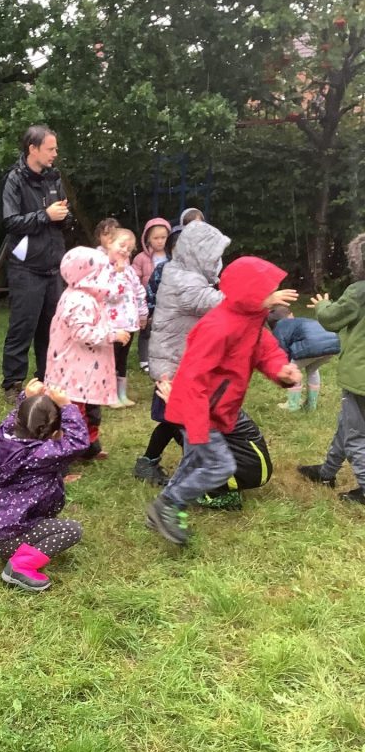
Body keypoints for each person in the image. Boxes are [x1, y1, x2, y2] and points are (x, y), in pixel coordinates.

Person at [145, 256, 301, 545]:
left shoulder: (251, 321)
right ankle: (170, 504)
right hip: (197, 411)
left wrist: (281, 370)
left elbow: (266, 351)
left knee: (193, 463)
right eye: (267, 291)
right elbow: (193, 377)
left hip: (217, 410)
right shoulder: (219, 326)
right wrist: (198, 426)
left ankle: (162, 510)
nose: (274, 296)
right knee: (220, 466)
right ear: (248, 293)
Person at [135, 220, 230, 485]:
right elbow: (217, 303)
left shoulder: (186, 274)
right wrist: (255, 296)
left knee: (173, 418)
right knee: (181, 418)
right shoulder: (184, 280)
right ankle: (195, 466)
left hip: (179, 358)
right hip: (174, 362)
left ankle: (150, 461)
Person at [0, 379, 89, 592]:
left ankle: (17, 553)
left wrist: (26, 400)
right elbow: (78, 442)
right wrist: (67, 407)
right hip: (9, 538)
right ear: (53, 434)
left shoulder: (4, 438)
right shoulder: (40, 455)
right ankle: (19, 567)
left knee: (48, 521)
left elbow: (17, 419)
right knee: (72, 530)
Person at [0, 125, 72, 405]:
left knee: (51, 329)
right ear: (33, 149)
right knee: (23, 327)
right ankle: (12, 383)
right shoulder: (14, 180)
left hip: (53, 266)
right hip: (26, 268)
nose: (55, 154)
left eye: (56, 149)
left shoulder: (54, 178)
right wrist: (45, 215)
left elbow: (61, 218)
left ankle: (47, 378)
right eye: (50, 149)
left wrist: (63, 216)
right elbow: (10, 222)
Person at [297, 232, 365, 504]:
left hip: (360, 376)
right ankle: (326, 472)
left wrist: (322, 305)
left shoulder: (359, 292)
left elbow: (331, 319)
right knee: (348, 424)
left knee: (355, 435)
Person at [45, 247, 130, 457]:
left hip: (84, 369)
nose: (105, 275)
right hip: (73, 369)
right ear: (88, 275)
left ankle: (90, 446)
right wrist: (112, 335)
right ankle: (66, 453)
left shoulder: (87, 296)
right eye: (101, 271)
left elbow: (114, 292)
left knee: (90, 407)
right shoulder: (78, 300)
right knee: (72, 411)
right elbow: (82, 332)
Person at [153, 377, 273, 511]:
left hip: (251, 469)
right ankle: (149, 462)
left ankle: (223, 495)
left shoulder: (211, 404)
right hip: (252, 466)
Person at [98, 224, 147, 407]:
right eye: (122, 245)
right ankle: (109, 395)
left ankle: (122, 394)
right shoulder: (104, 269)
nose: (125, 250)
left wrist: (143, 313)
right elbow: (111, 295)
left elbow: (139, 291)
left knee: (122, 359)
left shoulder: (129, 270)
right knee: (111, 359)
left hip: (129, 323)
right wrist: (117, 274)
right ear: (109, 243)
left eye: (129, 248)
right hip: (112, 325)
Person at [267, 306, 340, 411]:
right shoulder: (301, 320)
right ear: (290, 315)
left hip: (312, 345)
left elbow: (283, 349)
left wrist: (287, 366)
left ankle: (293, 405)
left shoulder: (279, 328)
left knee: (293, 370)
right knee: (312, 369)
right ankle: (311, 405)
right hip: (333, 343)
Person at [131, 217, 170, 372]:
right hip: (147, 299)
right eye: (156, 238)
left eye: (163, 237)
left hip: (167, 299)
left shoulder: (171, 257)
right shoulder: (140, 258)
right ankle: (144, 359)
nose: (160, 241)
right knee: (146, 330)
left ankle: (161, 356)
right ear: (147, 238)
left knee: (164, 329)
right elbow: (134, 278)